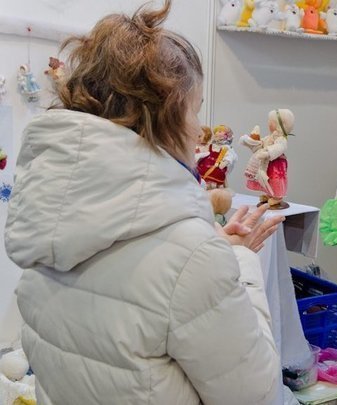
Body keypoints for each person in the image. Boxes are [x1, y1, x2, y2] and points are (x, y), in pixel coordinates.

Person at [4, 2, 283, 404]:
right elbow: (257, 394)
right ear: (166, 115)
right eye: (195, 110)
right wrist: (238, 261)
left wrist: (209, 250)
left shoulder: (45, 217)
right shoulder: (192, 257)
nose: (199, 130)